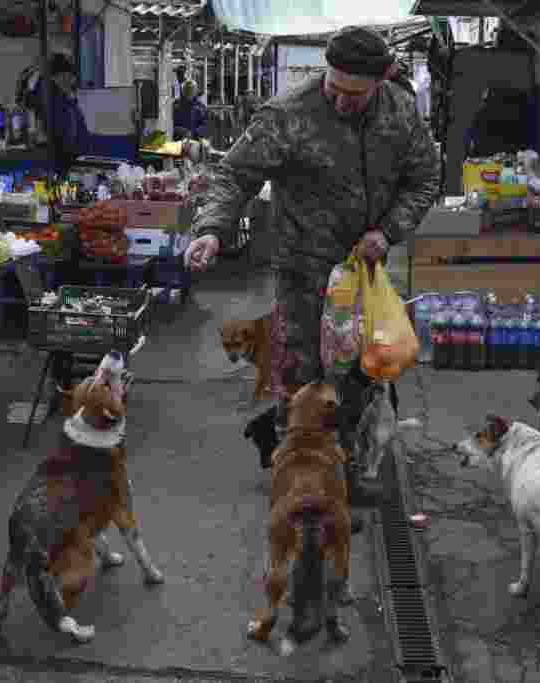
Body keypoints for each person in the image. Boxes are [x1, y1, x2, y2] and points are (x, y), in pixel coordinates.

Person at [185, 26, 440, 524]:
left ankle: (343, 473)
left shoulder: (401, 112)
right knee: (299, 374)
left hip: (364, 271)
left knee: (360, 374)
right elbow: (235, 175)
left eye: (354, 94)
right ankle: (296, 481)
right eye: (333, 88)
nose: (341, 101)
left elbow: (425, 178)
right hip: (302, 268)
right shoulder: (289, 114)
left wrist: (388, 232)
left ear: (380, 82)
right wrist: (212, 229)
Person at [24, 53, 91, 175]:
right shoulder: (51, 93)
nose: (73, 81)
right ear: (60, 76)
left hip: (71, 153)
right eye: (70, 77)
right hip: (63, 154)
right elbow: (31, 104)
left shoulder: (65, 97)